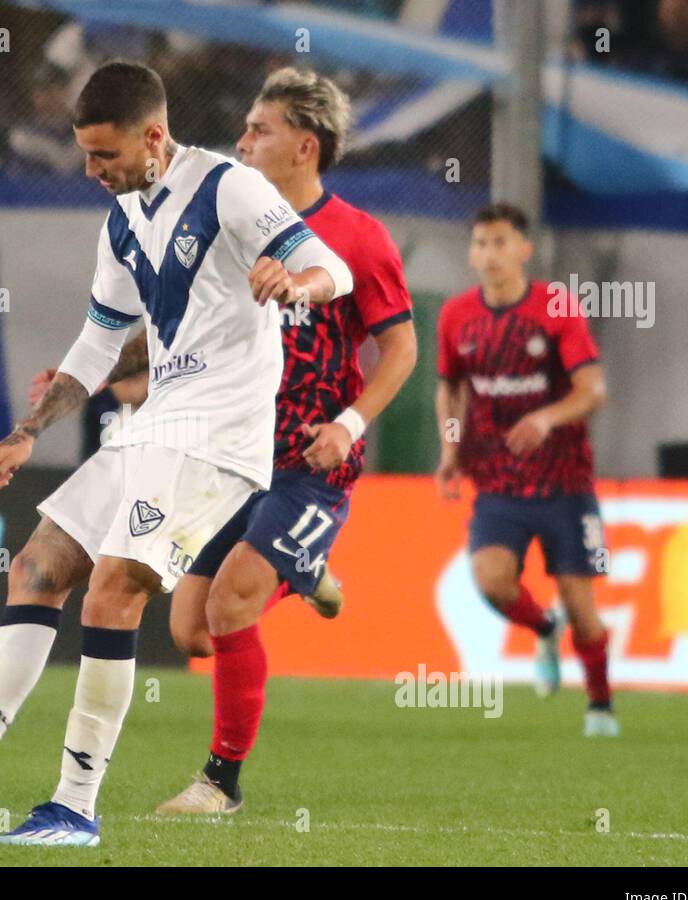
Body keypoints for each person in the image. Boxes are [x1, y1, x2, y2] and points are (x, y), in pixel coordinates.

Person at [0, 61, 353, 847]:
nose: (92, 171)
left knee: (111, 594)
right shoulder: (122, 220)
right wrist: (29, 430)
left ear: (155, 137)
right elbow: (97, 345)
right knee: (37, 567)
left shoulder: (226, 186)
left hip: (218, 439)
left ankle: (74, 807)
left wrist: (296, 283)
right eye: (85, 155)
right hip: (155, 425)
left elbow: (337, 267)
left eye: (105, 155)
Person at [154, 67, 417, 813]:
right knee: (191, 632)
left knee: (233, 603)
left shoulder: (359, 240)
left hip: (311, 465)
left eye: (258, 131)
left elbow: (401, 351)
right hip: (236, 457)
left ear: (306, 147)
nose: (240, 143)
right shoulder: (227, 230)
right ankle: (305, 573)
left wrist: (347, 425)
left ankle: (220, 785)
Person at [434, 203, 617, 737]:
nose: (489, 254)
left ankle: (601, 706)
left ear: (523, 249)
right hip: (499, 482)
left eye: (500, 242)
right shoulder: (455, 316)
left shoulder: (555, 307)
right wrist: (450, 450)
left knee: (584, 609)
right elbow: (449, 386)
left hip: (565, 484)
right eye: (480, 243)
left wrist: (546, 416)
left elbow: (594, 391)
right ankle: (542, 626)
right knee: (491, 582)